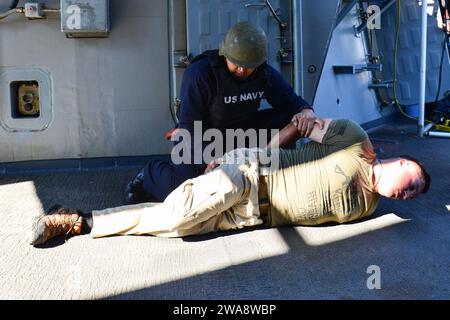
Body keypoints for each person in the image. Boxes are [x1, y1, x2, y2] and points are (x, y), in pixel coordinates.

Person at [30, 118, 430, 246]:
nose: (406, 194)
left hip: (253, 217)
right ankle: (75, 221)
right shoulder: (356, 141)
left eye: (411, 195)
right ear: (396, 161)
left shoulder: (368, 207)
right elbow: (301, 125)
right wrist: (253, 153)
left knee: (175, 225)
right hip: (251, 176)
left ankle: (79, 218)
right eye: (409, 182)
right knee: (178, 215)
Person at [125, 21, 323, 204]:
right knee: (188, 192)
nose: (241, 70)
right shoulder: (201, 74)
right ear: (225, 54)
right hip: (200, 137)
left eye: (248, 67)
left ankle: (277, 173)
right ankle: (149, 174)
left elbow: (292, 102)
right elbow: (188, 126)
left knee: (291, 118)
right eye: (236, 63)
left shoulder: (264, 73)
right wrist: (207, 161)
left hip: (240, 133)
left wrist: (306, 111)